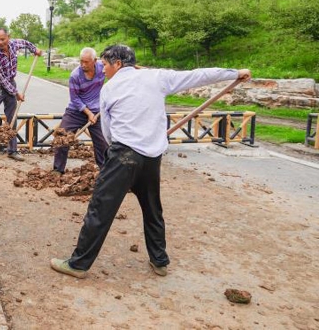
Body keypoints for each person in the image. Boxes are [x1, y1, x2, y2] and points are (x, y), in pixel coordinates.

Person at [50, 44, 251, 279]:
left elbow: (108, 131)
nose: (102, 69)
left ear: (117, 64)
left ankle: (78, 265)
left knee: (100, 209)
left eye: (104, 64)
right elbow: (198, 75)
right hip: (151, 158)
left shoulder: (110, 88)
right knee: (153, 209)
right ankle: (159, 261)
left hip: (123, 156)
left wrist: (118, 148)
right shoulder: (158, 77)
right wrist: (235, 73)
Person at [0, 28, 42, 165]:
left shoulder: (14, 44)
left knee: (12, 118)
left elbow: (25, 43)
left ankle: (12, 150)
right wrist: (16, 93)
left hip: (10, 85)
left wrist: (34, 49)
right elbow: (2, 80)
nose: (0, 42)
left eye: (3, 39)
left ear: (8, 37)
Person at [53, 47, 108, 172]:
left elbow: (118, 71)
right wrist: (88, 113)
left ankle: (105, 172)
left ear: (95, 60)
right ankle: (57, 170)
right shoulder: (75, 75)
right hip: (76, 111)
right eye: (81, 61)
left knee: (102, 143)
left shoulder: (102, 68)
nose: (83, 65)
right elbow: (75, 99)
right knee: (62, 139)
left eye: (86, 62)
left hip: (96, 111)